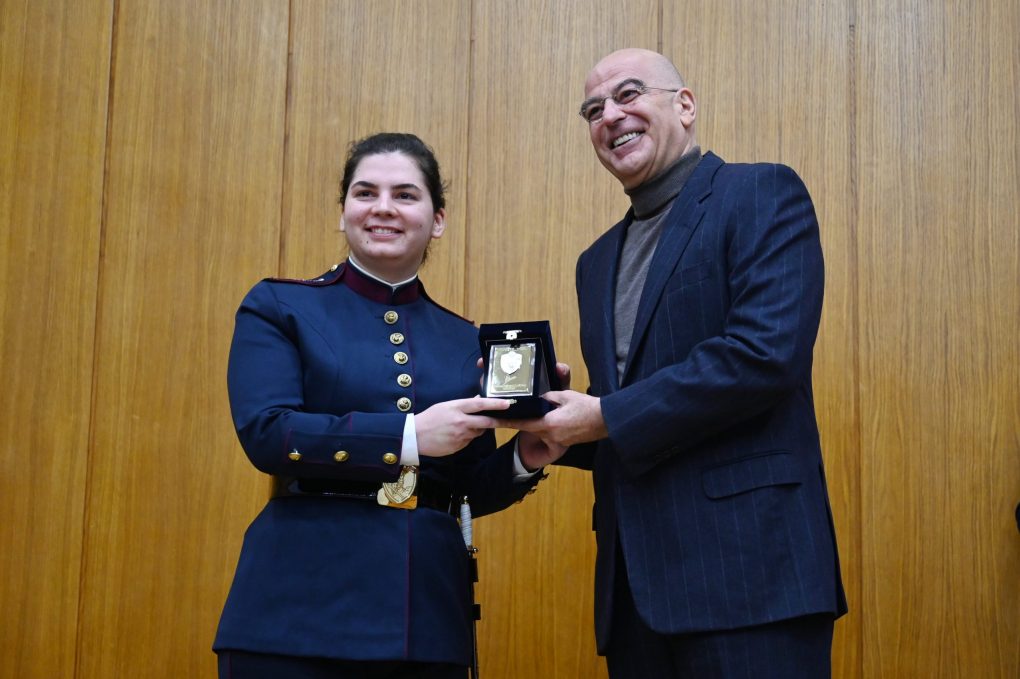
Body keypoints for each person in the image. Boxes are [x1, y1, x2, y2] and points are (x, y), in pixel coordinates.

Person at [508, 49, 848, 677]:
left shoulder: (760, 193)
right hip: (636, 594)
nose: (610, 116)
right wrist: (555, 423)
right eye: (593, 110)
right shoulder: (595, 261)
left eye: (629, 94)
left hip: (752, 579)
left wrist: (602, 415)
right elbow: (632, 412)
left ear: (684, 105)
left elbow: (763, 356)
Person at [213, 132, 552, 678]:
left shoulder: (464, 340)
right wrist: (408, 437)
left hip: (423, 618)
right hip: (296, 610)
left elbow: (463, 490)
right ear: (343, 211)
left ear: (437, 220)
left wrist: (526, 455)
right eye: (365, 192)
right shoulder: (279, 306)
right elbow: (268, 433)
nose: (383, 208)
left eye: (405, 195)